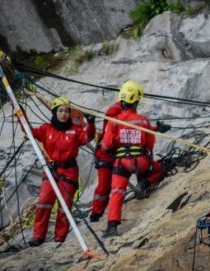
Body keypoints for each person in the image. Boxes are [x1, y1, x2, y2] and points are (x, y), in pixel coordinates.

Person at [89, 81, 170, 223]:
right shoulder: (129, 116)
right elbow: (148, 141)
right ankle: (143, 185)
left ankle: (111, 225)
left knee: (116, 191)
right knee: (105, 186)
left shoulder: (115, 118)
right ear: (135, 101)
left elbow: (108, 141)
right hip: (125, 158)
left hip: (119, 160)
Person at [28, 96, 96, 246]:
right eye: (60, 111)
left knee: (65, 205)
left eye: (66, 111)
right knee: (44, 202)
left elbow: (88, 137)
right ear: (54, 112)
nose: (64, 114)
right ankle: (38, 236)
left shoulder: (75, 130)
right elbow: (30, 132)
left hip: (69, 172)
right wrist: (21, 117)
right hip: (51, 171)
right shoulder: (46, 129)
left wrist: (90, 123)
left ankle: (60, 237)